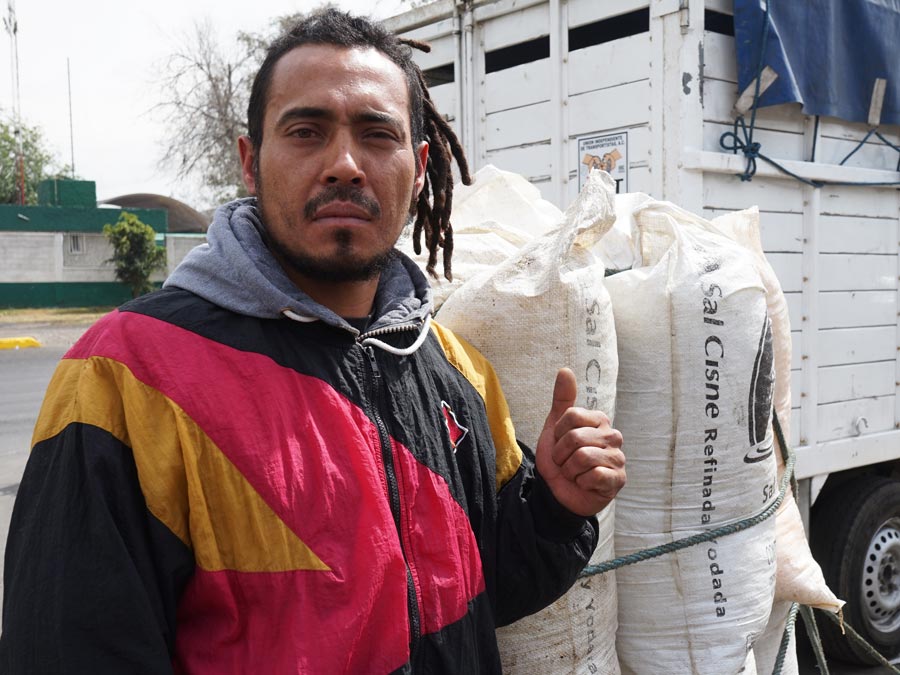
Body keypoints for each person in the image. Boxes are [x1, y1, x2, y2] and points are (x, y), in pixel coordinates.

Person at [1, 8, 625, 674]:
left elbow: (484, 592)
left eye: (376, 134)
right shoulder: (124, 378)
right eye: (306, 131)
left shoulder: (456, 372)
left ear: (417, 169)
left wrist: (557, 508)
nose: (345, 164)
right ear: (250, 161)